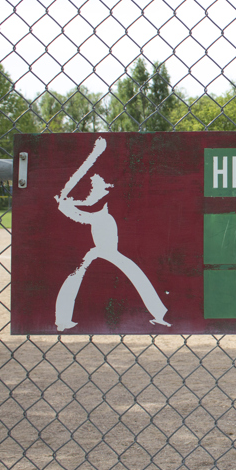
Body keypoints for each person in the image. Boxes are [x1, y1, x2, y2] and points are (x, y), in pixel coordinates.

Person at [54, 137, 171, 331]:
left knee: (128, 271)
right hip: (99, 247)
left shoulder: (108, 196)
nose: (95, 186)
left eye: (98, 184)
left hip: (105, 243)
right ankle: (62, 320)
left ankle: (160, 313)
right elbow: (83, 205)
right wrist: (67, 203)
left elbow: (89, 206)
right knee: (78, 273)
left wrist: (68, 204)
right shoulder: (101, 193)